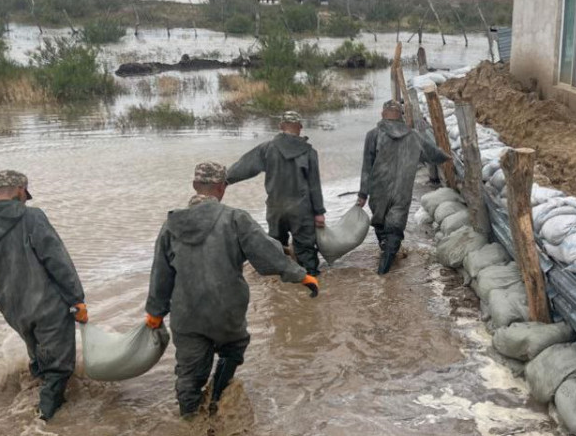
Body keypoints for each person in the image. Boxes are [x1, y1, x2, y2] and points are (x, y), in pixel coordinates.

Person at [145, 162, 320, 417]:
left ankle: (190, 427)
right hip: (226, 311)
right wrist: (302, 276)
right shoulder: (235, 219)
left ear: (195, 186)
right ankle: (216, 397)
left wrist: (155, 312)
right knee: (233, 348)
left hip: (187, 316)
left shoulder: (171, 225)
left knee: (189, 376)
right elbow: (267, 252)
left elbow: (160, 273)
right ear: (222, 188)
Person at [0, 170, 88, 422]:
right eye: (25, 195)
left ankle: (41, 402)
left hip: (15, 313)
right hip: (49, 308)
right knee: (59, 369)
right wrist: (76, 299)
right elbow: (57, 260)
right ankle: (45, 423)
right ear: (22, 191)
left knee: (38, 359)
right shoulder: (32, 217)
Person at [226, 111, 326, 276]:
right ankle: (311, 283)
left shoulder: (267, 148)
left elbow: (245, 167)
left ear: (280, 126)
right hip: (301, 209)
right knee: (306, 248)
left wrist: (225, 181)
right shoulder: (309, 152)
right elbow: (314, 185)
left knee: (275, 246)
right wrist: (319, 213)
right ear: (300, 127)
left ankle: (278, 286)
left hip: (275, 208)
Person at [358, 100, 451, 274]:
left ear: (383, 113)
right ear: (401, 115)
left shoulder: (373, 135)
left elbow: (366, 167)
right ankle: (386, 266)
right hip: (402, 190)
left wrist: (362, 194)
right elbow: (434, 154)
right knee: (395, 226)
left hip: (379, 190)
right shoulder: (414, 136)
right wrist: (449, 158)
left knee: (380, 223)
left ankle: (385, 260)